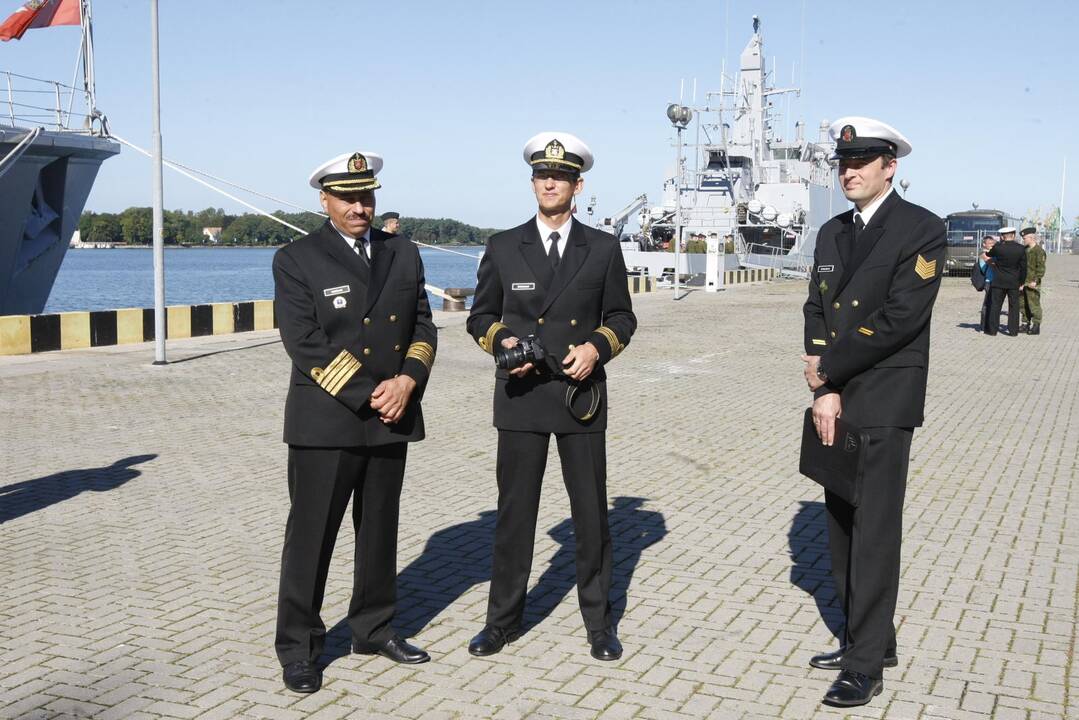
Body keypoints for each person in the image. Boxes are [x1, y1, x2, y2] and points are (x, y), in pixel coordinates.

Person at [465, 131, 637, 661]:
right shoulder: (502, 246)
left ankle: (599, 623)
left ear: (577, 185)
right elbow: (479, 317)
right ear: (533, 182)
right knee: (515, 514)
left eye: (560, 176)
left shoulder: (603, 248)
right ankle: (502, 620)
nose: (550, 183)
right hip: (521, 397)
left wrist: (597, 349)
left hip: (578, 397)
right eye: (542, 175)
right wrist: (502, 343)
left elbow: (622, 318)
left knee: (590, 514)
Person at [272, 151, 437, 693]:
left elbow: (422, 326)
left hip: (392, 413)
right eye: (349, 198)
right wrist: (374, 393)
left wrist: (408, 382)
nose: (361, 207)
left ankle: (373, 628)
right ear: (325, 200)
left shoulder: (403, 252)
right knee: (312, 538)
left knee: (379, 533)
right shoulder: (297, 258)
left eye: (367, 196)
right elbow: (306, 344)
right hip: (328, 421)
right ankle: (299, 647)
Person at [801, 117, 946, 707]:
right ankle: (869, 636)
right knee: (839, 526)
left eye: (862, 161)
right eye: (843, 161)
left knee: (876, 529)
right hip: (835, 395)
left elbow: (899, 320)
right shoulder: (832, 231)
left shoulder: (921, 229)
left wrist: (829, 371)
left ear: (891, 166)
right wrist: (822, 383)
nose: (849, 171)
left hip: (884, 396)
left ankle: (865, 667)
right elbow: (816, 307)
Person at [984, 226, 1027, 336]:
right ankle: (1013, 331)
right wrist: (1021, 282)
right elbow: (1023, 267)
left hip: (999, 281)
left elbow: (988, 254)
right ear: (1013, 235)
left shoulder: (998, 247)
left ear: (1002, 237)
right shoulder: (1021, 248)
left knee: (995, 306)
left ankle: (992, 330)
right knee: (1014, 307)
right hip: (1014, 281)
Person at [1020, 226, 1046, 334]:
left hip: (1032, 282)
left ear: (1031, 238)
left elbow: (1041, 268)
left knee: (1033, 304)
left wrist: (1035, 280)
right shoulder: (1024, 250)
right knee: (1023, 303)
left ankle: (1036, 325)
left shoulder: (1039, 251)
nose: (1023, 240)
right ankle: (1025, 324)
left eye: (1025, 238)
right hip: (1023, 282)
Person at [973, 235, 996, 331]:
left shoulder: (993, 253)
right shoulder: (983, 254)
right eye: (989, 243)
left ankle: (991, 324)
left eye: (993, 243)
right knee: (987, 304)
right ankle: (983, 326)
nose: (992, 245)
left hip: (996, 281)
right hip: (989, 282)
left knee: (994, 304)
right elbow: (986, 267)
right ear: (984, 244)